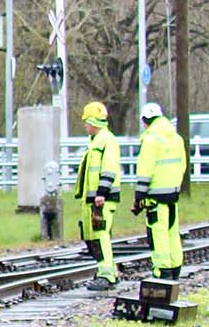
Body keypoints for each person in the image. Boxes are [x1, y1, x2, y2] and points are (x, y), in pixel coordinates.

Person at [134, 101, 188, 279]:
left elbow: (145, 170)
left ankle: (162, 270)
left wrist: (139, 195)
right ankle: (175, 267)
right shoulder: (176, 138)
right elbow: (182, 165)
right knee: (172, 232)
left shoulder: (151, 140)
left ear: (146, 121)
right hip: (172, 194)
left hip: (155, 196)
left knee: (158, 233)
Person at [74, 101, 122, 290]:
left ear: (93, 122)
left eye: (86, 122)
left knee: (101, 236)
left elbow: (109, 169)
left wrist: (101, 193)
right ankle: (109, 271)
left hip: (101, 199)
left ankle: (106, 275)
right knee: (96, 236)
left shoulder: (106, 141)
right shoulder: (98, 141)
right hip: (94, 199)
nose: (85, 125)